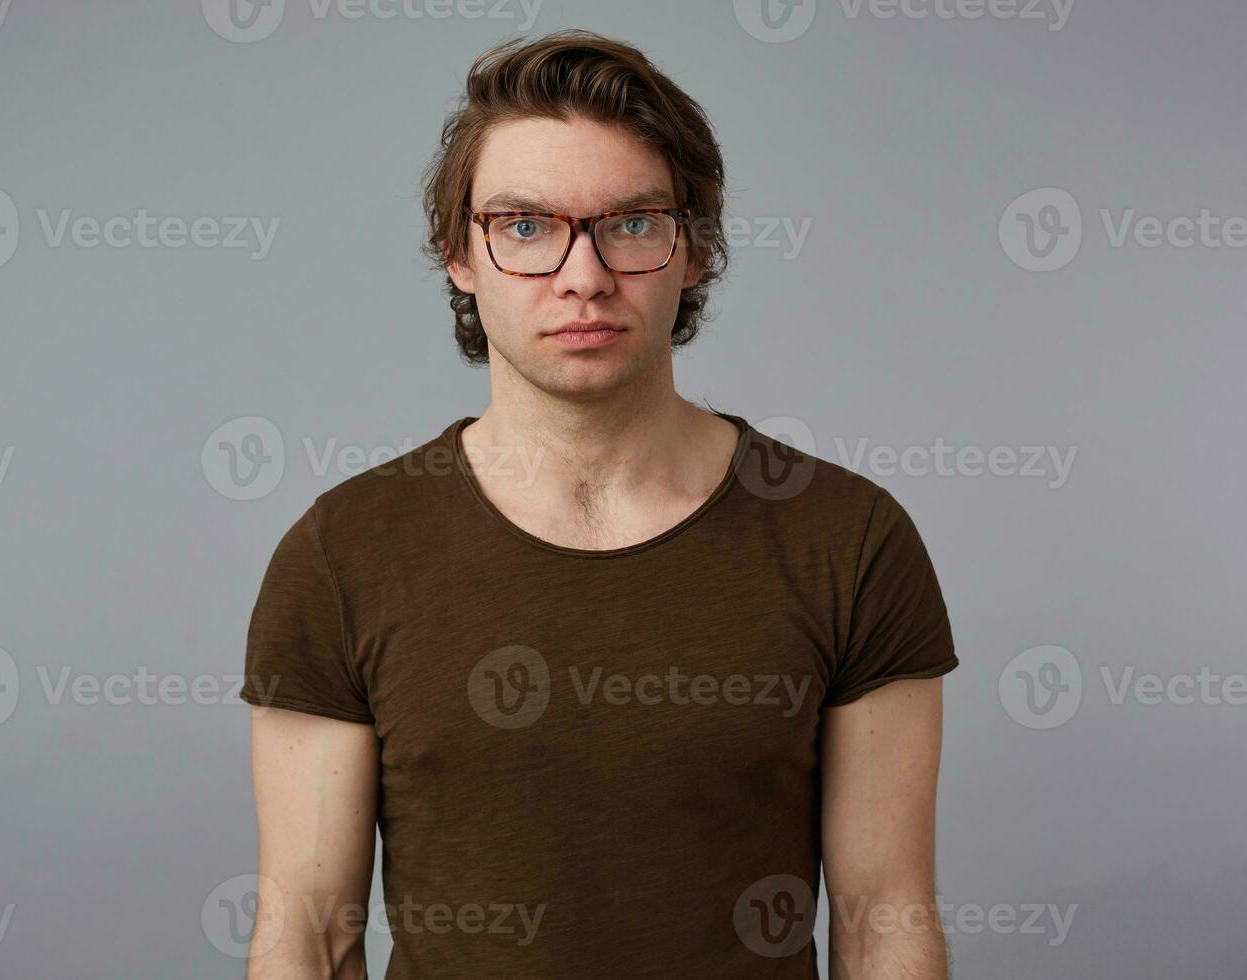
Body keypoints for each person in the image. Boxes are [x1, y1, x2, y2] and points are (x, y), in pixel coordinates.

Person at [239, 28, 958, 980]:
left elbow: (885, 923)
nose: (584, 276)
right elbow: (307, 937)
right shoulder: (341, 554)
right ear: (461, 255)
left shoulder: (849, 541)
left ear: (692, 250)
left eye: (630, 223)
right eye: (526, 226)